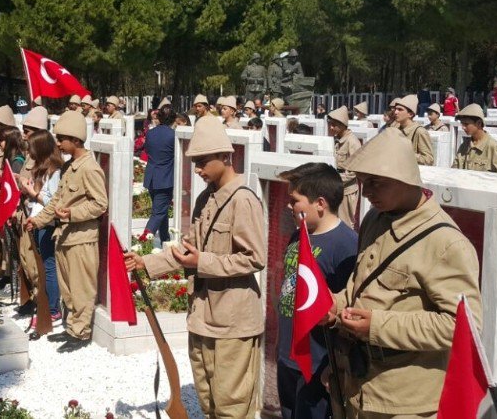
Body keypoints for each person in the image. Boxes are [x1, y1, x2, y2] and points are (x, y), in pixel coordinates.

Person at [325, 130, 482, 418]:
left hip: (407, 398)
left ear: (405, 178)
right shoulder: (375, 218)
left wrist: (377, 326)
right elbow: (359, 284)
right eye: (362, 181)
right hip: (360, 384)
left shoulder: (445, 243)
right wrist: (333, 305)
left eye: (376, 182)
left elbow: (460, 326)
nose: (367, 191)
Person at [125, 116, 267, 418]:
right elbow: (187, 248)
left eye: (203, 162)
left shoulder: (243, 201)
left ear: (226, 156)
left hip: (233, 321)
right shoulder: (206, 198)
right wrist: (145, 263)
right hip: (203, 315)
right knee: (208, 400)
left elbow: (255, 257)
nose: (198, 170)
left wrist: (202, 262)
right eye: (195, 162)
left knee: (231, 405)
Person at [276, 162, 358, 419]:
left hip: (318, 364)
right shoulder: (299, 234)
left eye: (295, 200)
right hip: (288, 356)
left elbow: (349, 310)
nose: (289, 207)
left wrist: (334, 369)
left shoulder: (346, 246)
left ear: (320, 203)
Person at [25, 111, 108, 353]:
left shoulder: (89, 168)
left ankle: (80, 333)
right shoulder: (70, 166)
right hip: (63, 236)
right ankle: (71, 326)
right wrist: (38, 221)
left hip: (81, 238)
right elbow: (56, 201)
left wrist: (72, 214)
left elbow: (99, 204)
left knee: (81, 288)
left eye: (62, 139)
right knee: (68, 287)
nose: (58, 144)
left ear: (76, 140)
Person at [19, 128, 64, 335]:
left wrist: (33, 193)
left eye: (33, 149)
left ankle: (53, 309)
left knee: (48, 266)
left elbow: (53, 203)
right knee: (43, 265)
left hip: (46, 224)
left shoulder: (56, 172)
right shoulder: (44, 170)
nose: (30, 153)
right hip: (37, 221)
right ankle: (47, 304)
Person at [144, 105, 176, 243]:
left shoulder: (150, 133)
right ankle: (142, 242)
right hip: (165, 179)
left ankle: (165, 239)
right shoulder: (173, 135)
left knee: (161, 211)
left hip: (152, 177)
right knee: (158, 213)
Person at [327, 106, 362, 229]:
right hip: (337, 187)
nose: (331, 127)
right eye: (330, 124)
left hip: (347, 189)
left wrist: (336, 180)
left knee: (346, 224)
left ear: (342, 124)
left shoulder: (352, 142)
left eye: (334, 125)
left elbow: (355, 170)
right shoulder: (338, 140)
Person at [453, 104, 497, 174]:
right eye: (462, 124)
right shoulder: (464, 146)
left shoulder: (493, 147)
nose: (463, 127)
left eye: (466, 124)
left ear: (479, 123)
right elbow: (454, 171)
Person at [392, 95, 434, 165]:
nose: (395, 112)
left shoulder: (420, 132)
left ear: (410, 114)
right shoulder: (395, 129)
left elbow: (429, 160)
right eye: (396, 109)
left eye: (400, 109)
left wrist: (407, 154)